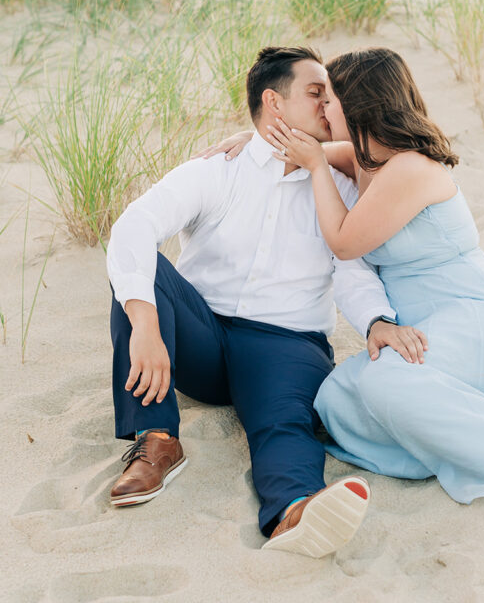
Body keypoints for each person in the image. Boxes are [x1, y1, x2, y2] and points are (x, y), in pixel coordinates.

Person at [251, 47, 484, 519]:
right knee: (336, 400)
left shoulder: (408, 168)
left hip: (477, 319)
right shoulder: (366, 157)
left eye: (332, 98)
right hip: (427, 325)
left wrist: (315, 169)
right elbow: (298, 147)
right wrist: (245, 144)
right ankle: (459, 445)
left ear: (361, 105)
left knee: (387, 388)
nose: (323, 107)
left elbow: (345, 242)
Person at [105, 46, 428, 557]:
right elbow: (134, 226)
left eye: (332, 96)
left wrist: (376, 321)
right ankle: (157, 440)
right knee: (145, 272)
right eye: (316, 94)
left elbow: (352, 268)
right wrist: (145, 324)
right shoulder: (218, 169)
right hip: (202, 337)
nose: (330, 106)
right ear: (274, 102)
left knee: (284, 426)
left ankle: (294, 509)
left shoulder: (339, 183)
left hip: (287, 344)